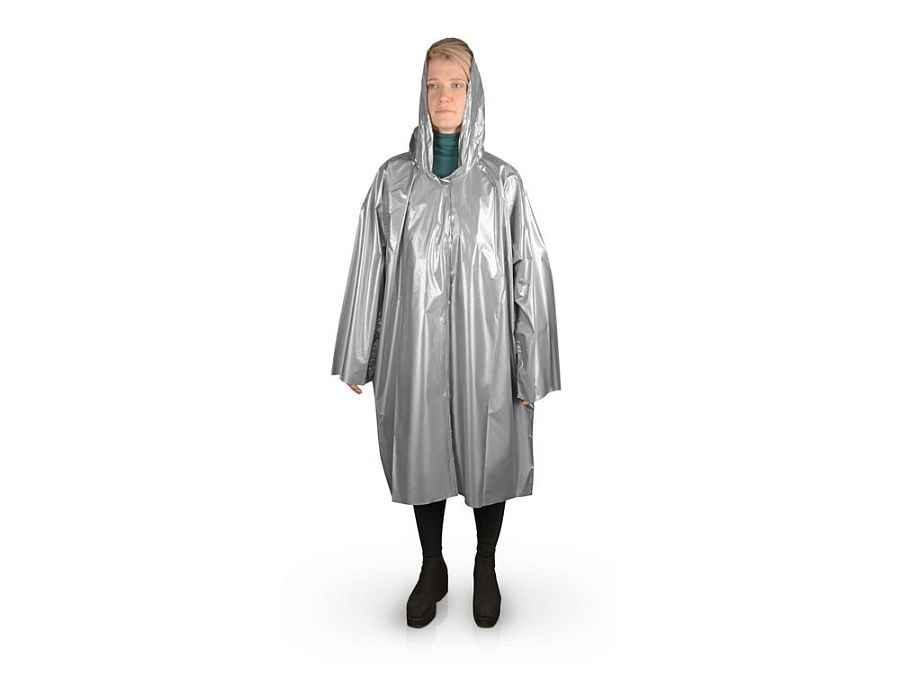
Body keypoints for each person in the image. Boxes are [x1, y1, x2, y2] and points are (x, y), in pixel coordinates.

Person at [331, 38, 561, 628]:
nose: (444, 97)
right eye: (433, 84)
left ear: (473, 92)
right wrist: (358, 355)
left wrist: (532, 365)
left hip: (487, 351)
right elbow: (369, 266)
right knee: (423, 448)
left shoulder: (501, 183)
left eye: (456, 84)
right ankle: (432, 565)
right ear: (421, 92)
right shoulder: (394, 182)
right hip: (415, 348)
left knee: (492, 448)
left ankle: (485, 565)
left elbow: (529, 274)